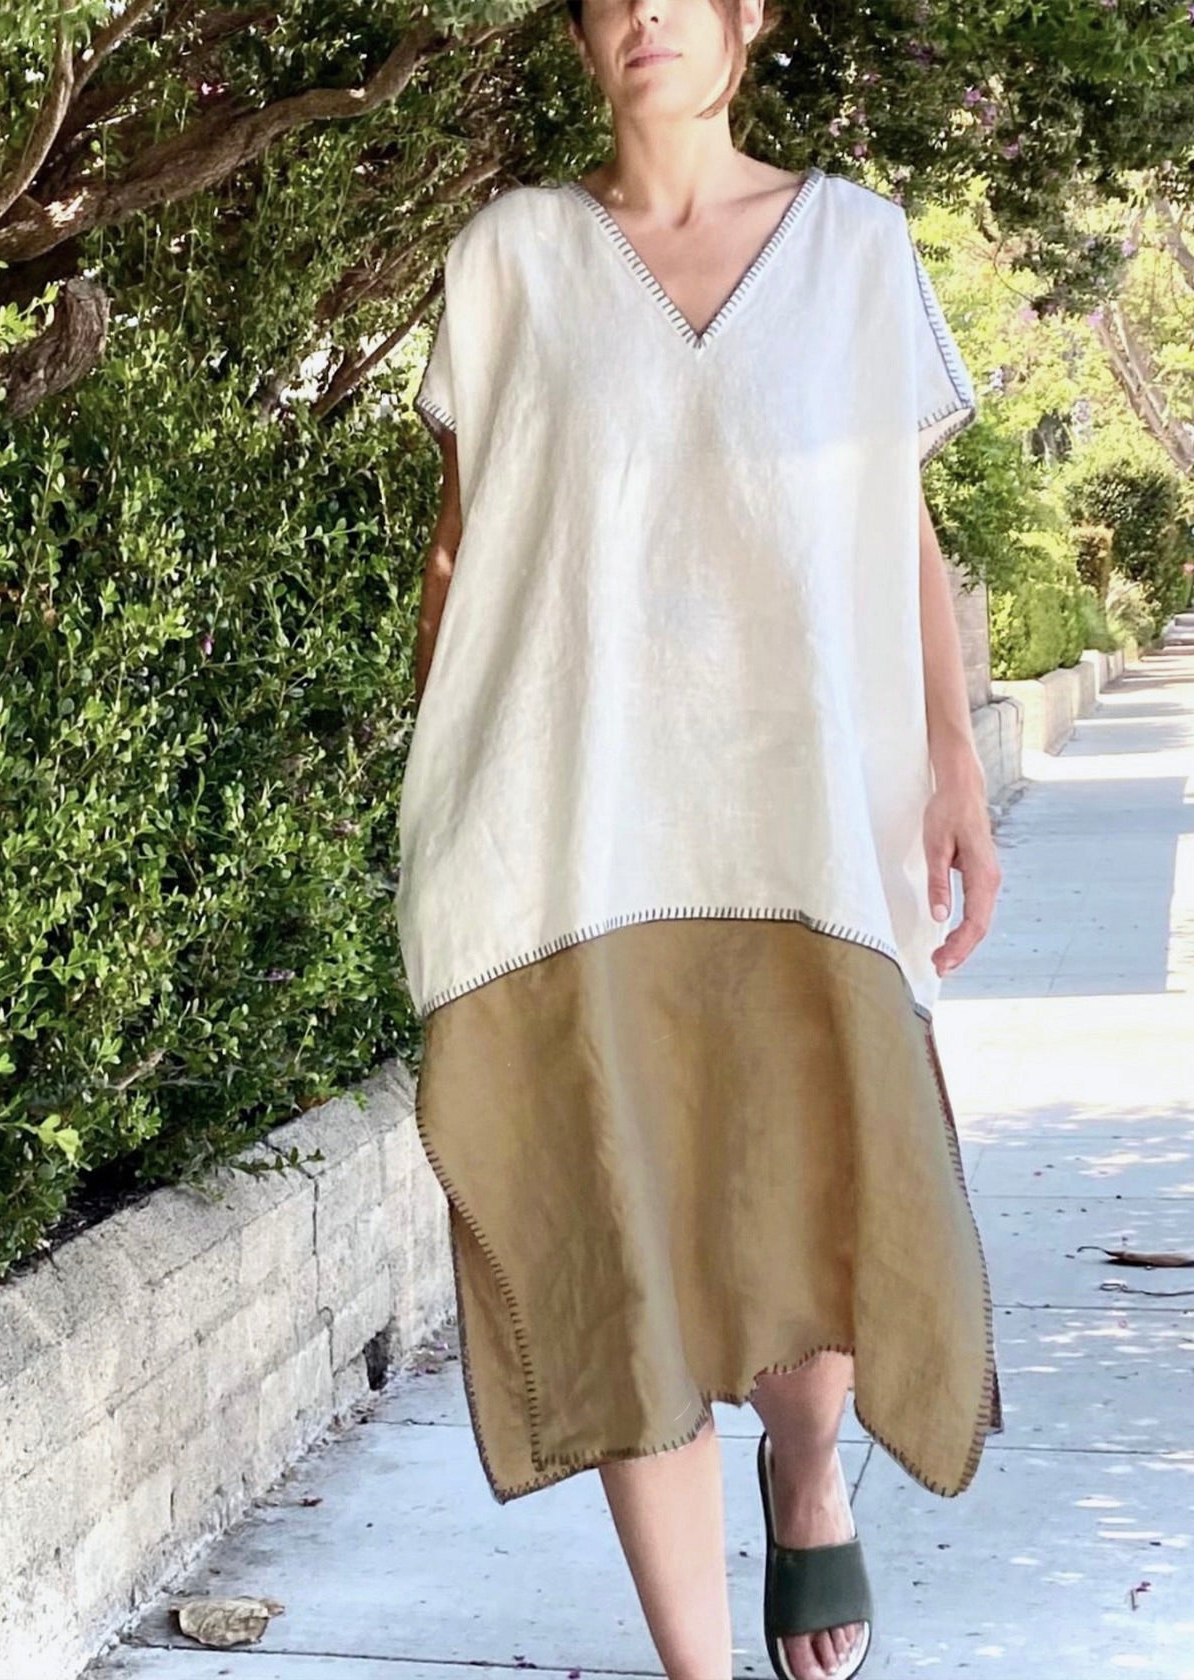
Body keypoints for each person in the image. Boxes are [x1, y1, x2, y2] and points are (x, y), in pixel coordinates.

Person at [395, 0, 1005, 1674]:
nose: (646, 16)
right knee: (623, 1242)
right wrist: (444, 804)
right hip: (572, 833)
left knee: (812, 1199)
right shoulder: (511, 256)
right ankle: (699, 1663)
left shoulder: (858, 251)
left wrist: (953, 758)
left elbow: (899, 524)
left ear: (751, 20)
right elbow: (464, 555)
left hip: (808, 822)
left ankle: (809, 1477)